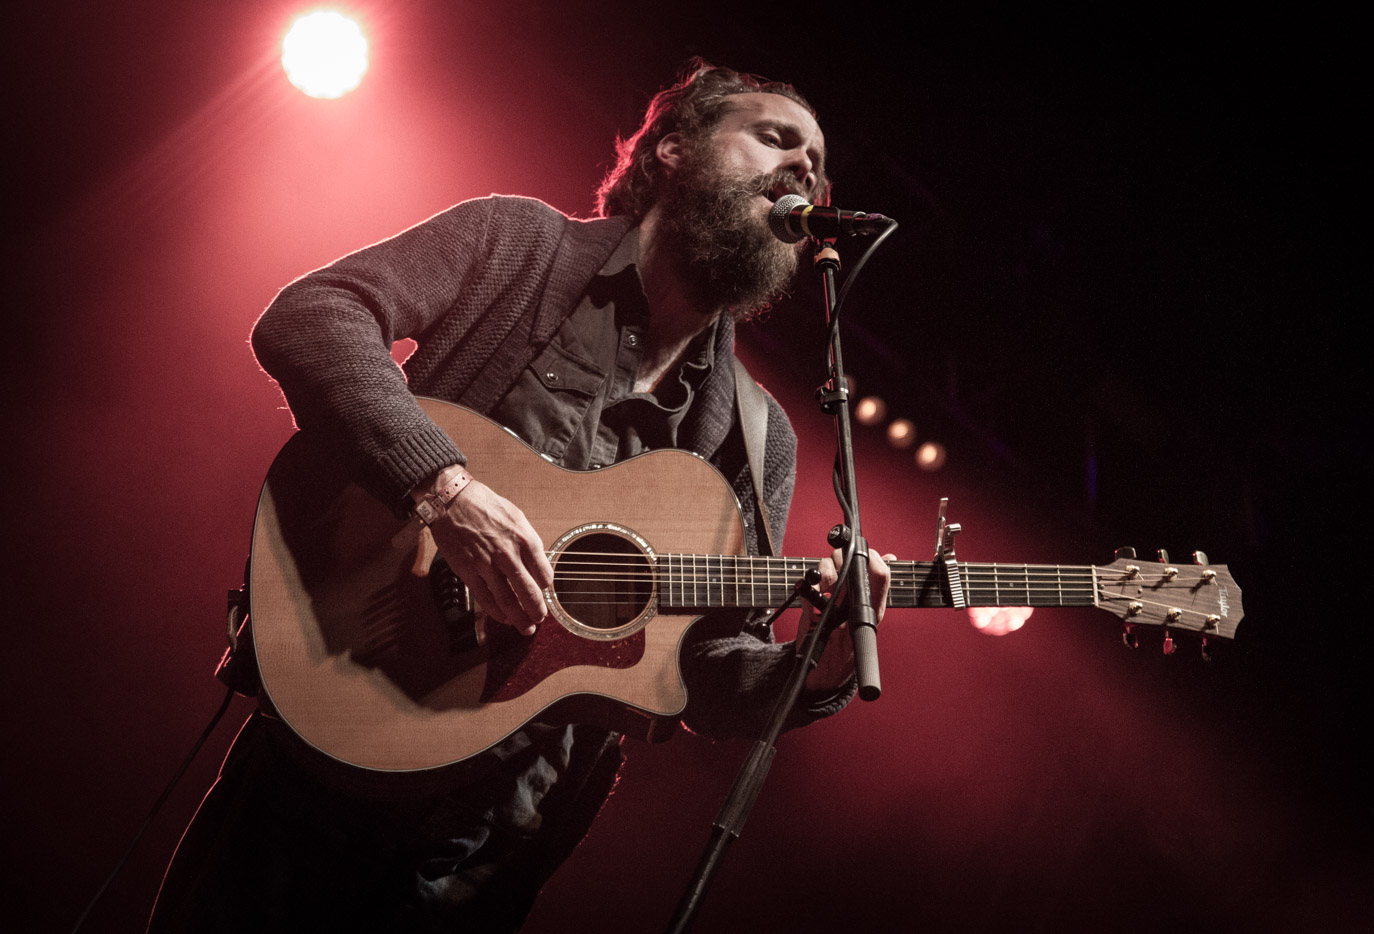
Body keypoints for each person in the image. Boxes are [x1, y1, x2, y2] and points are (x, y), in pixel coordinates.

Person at [149, 60, 892, 932]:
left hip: (499, 837)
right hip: (342, 737)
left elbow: (711, 669)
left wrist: (823, 667)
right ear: (671, 149)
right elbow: (313, 316)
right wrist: (443, 487)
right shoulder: (518, 245)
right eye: (775, 138)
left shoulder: (757, 437)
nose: (805, 167)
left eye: (816, 161)